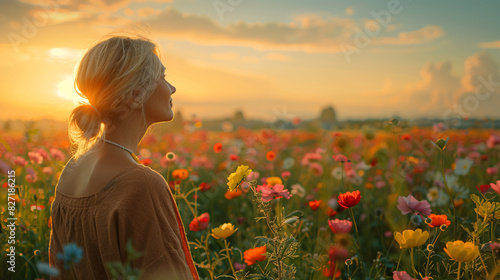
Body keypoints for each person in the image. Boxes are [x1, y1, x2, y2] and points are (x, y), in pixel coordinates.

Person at [48, 34, 200, 280]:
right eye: (161, 77)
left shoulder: (72, 170)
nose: (171, 88)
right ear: (135, 94)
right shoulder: (141, 185)